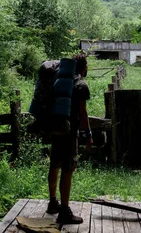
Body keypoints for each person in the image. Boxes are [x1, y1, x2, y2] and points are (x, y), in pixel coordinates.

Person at [46, 52, 93, 224]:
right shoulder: (81, 85)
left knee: (54, 165)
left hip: (55, 128)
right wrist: (88, 135)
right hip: (69, 132)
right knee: (67, 169)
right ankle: (64, 211)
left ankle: (53, 203)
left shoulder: (58, 81)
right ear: (84, 67)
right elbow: (83, 112)